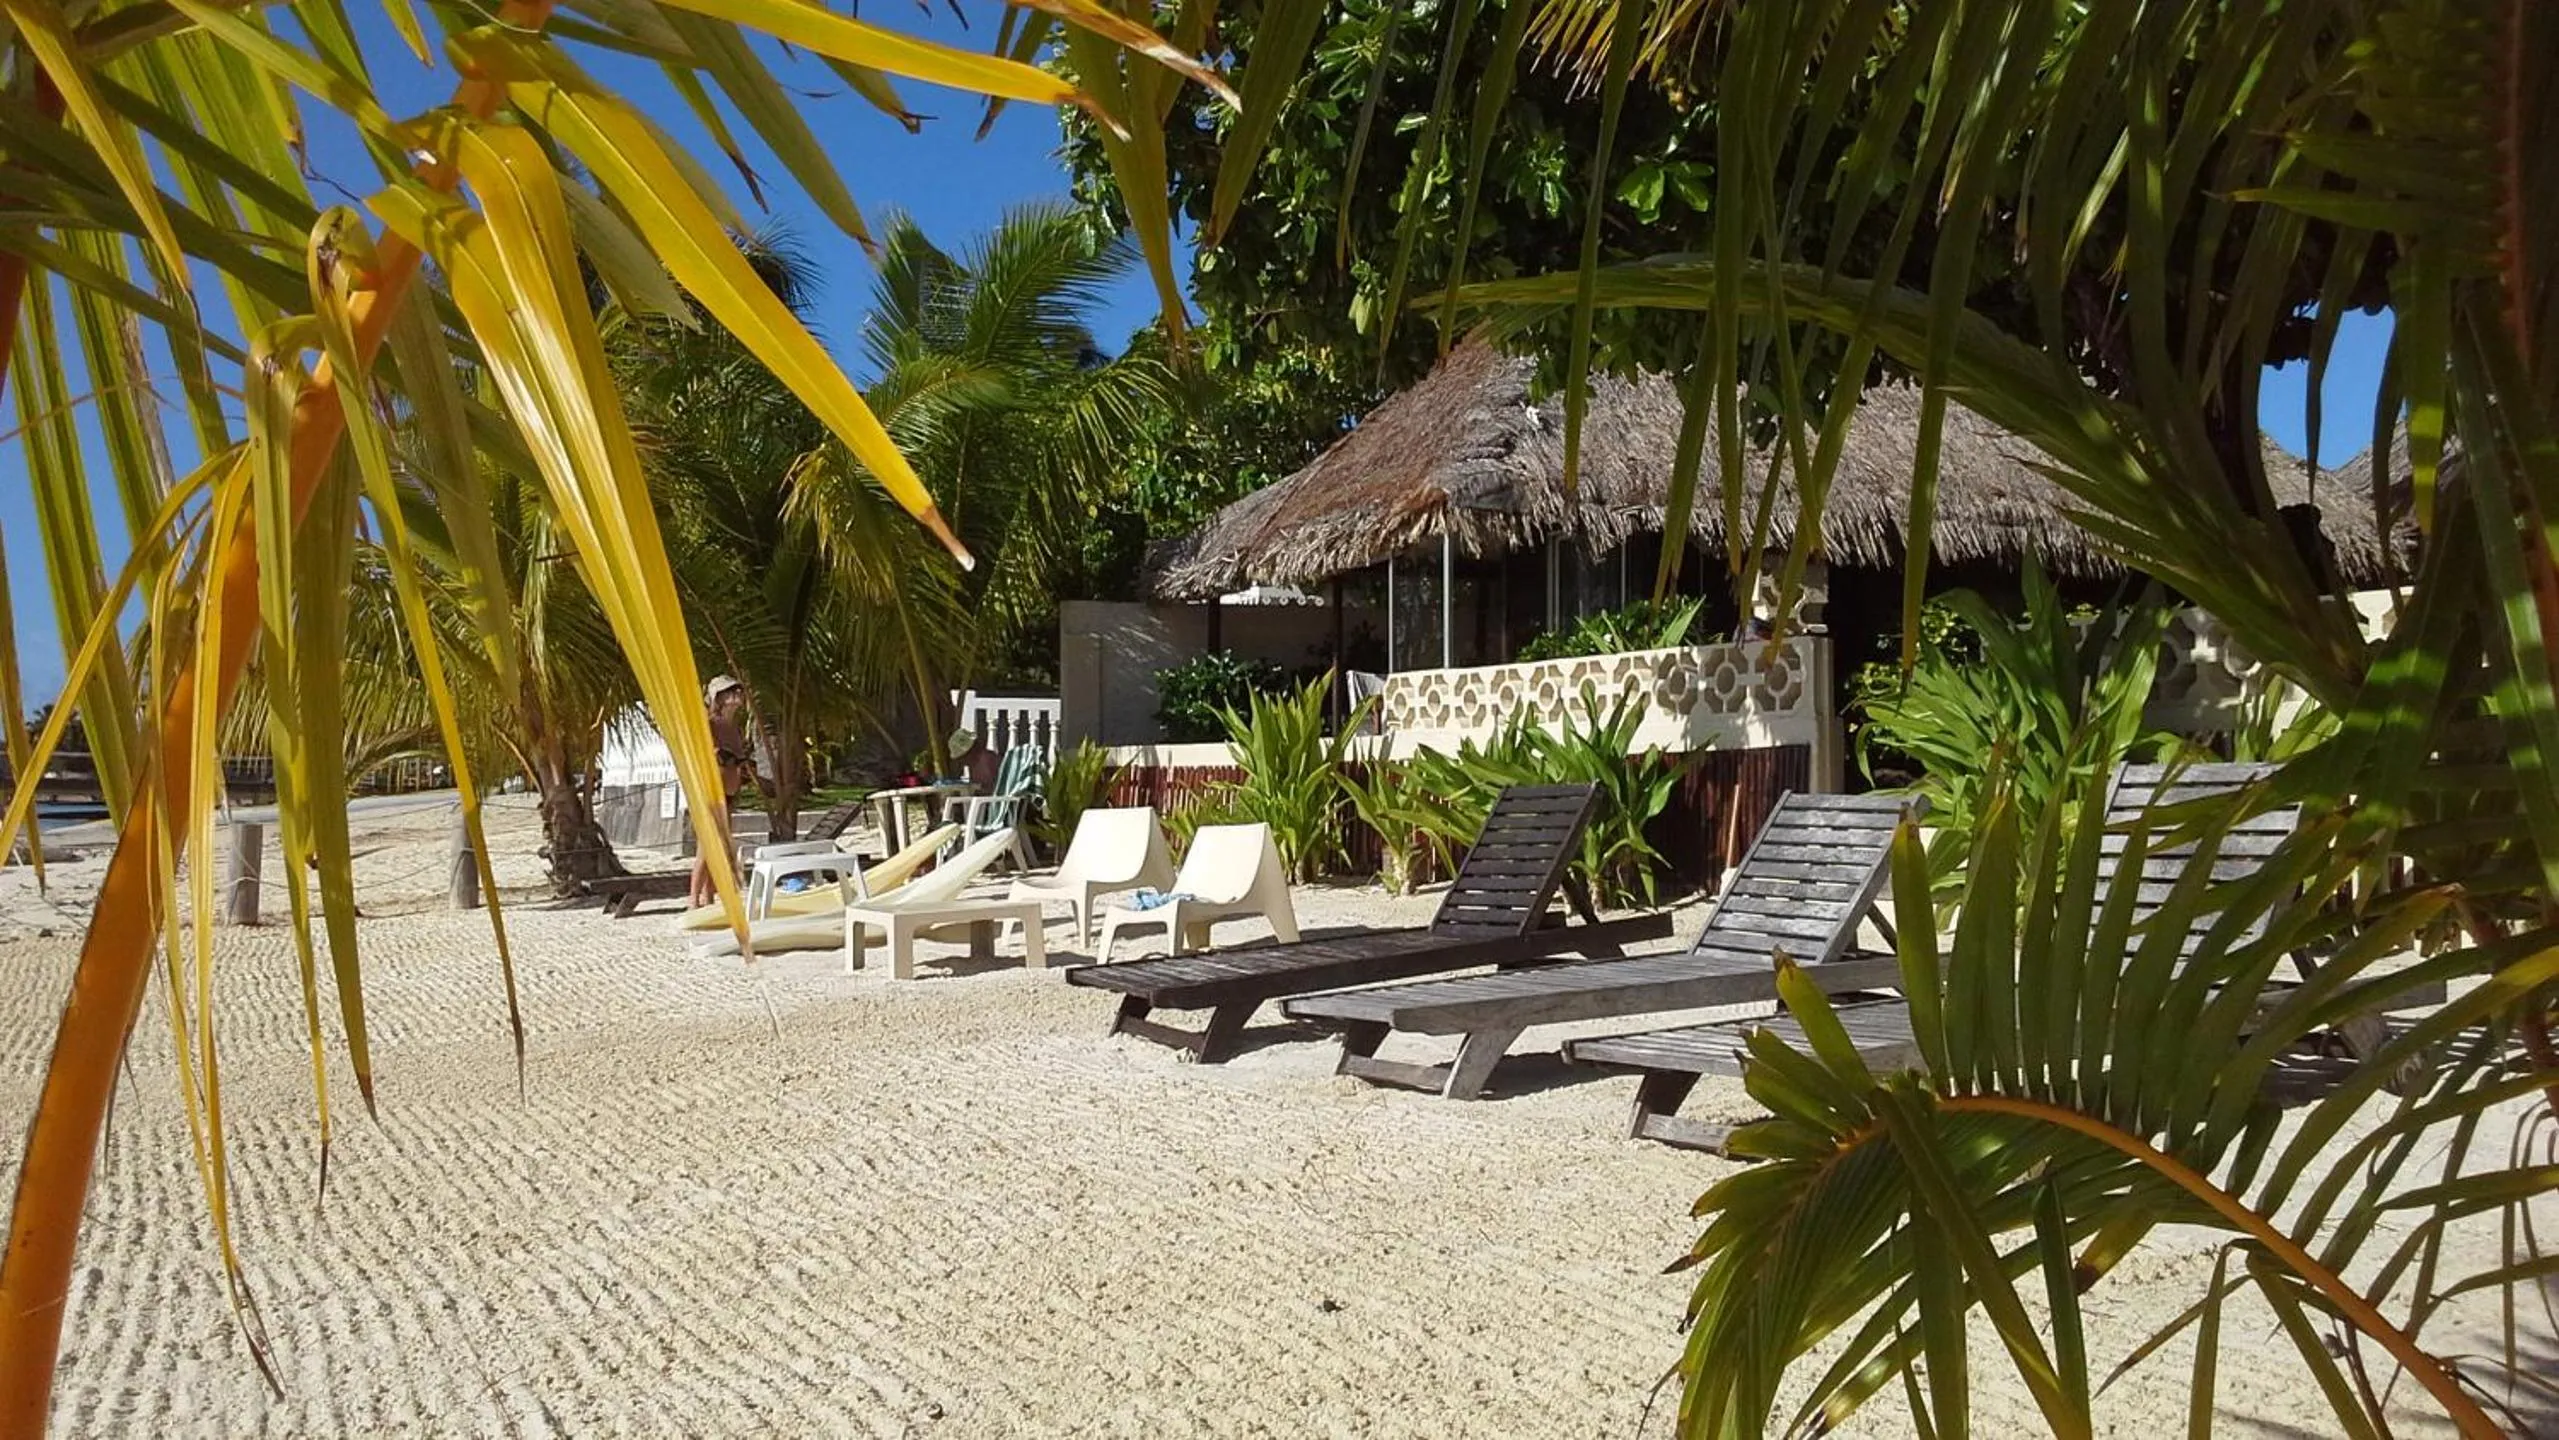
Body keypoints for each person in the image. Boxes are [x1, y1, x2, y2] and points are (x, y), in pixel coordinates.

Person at [690, 675, 757, 908]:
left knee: (719, 846)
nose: (737, 695)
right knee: (707, 846)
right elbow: (705, 753)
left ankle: (709, 896)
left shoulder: (734, 727)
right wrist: (725, 756)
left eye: (738, 690)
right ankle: (692, 900)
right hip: (712, 790)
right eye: (731, 691)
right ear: (720, 697)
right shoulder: (710, 723)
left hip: (730, 788)